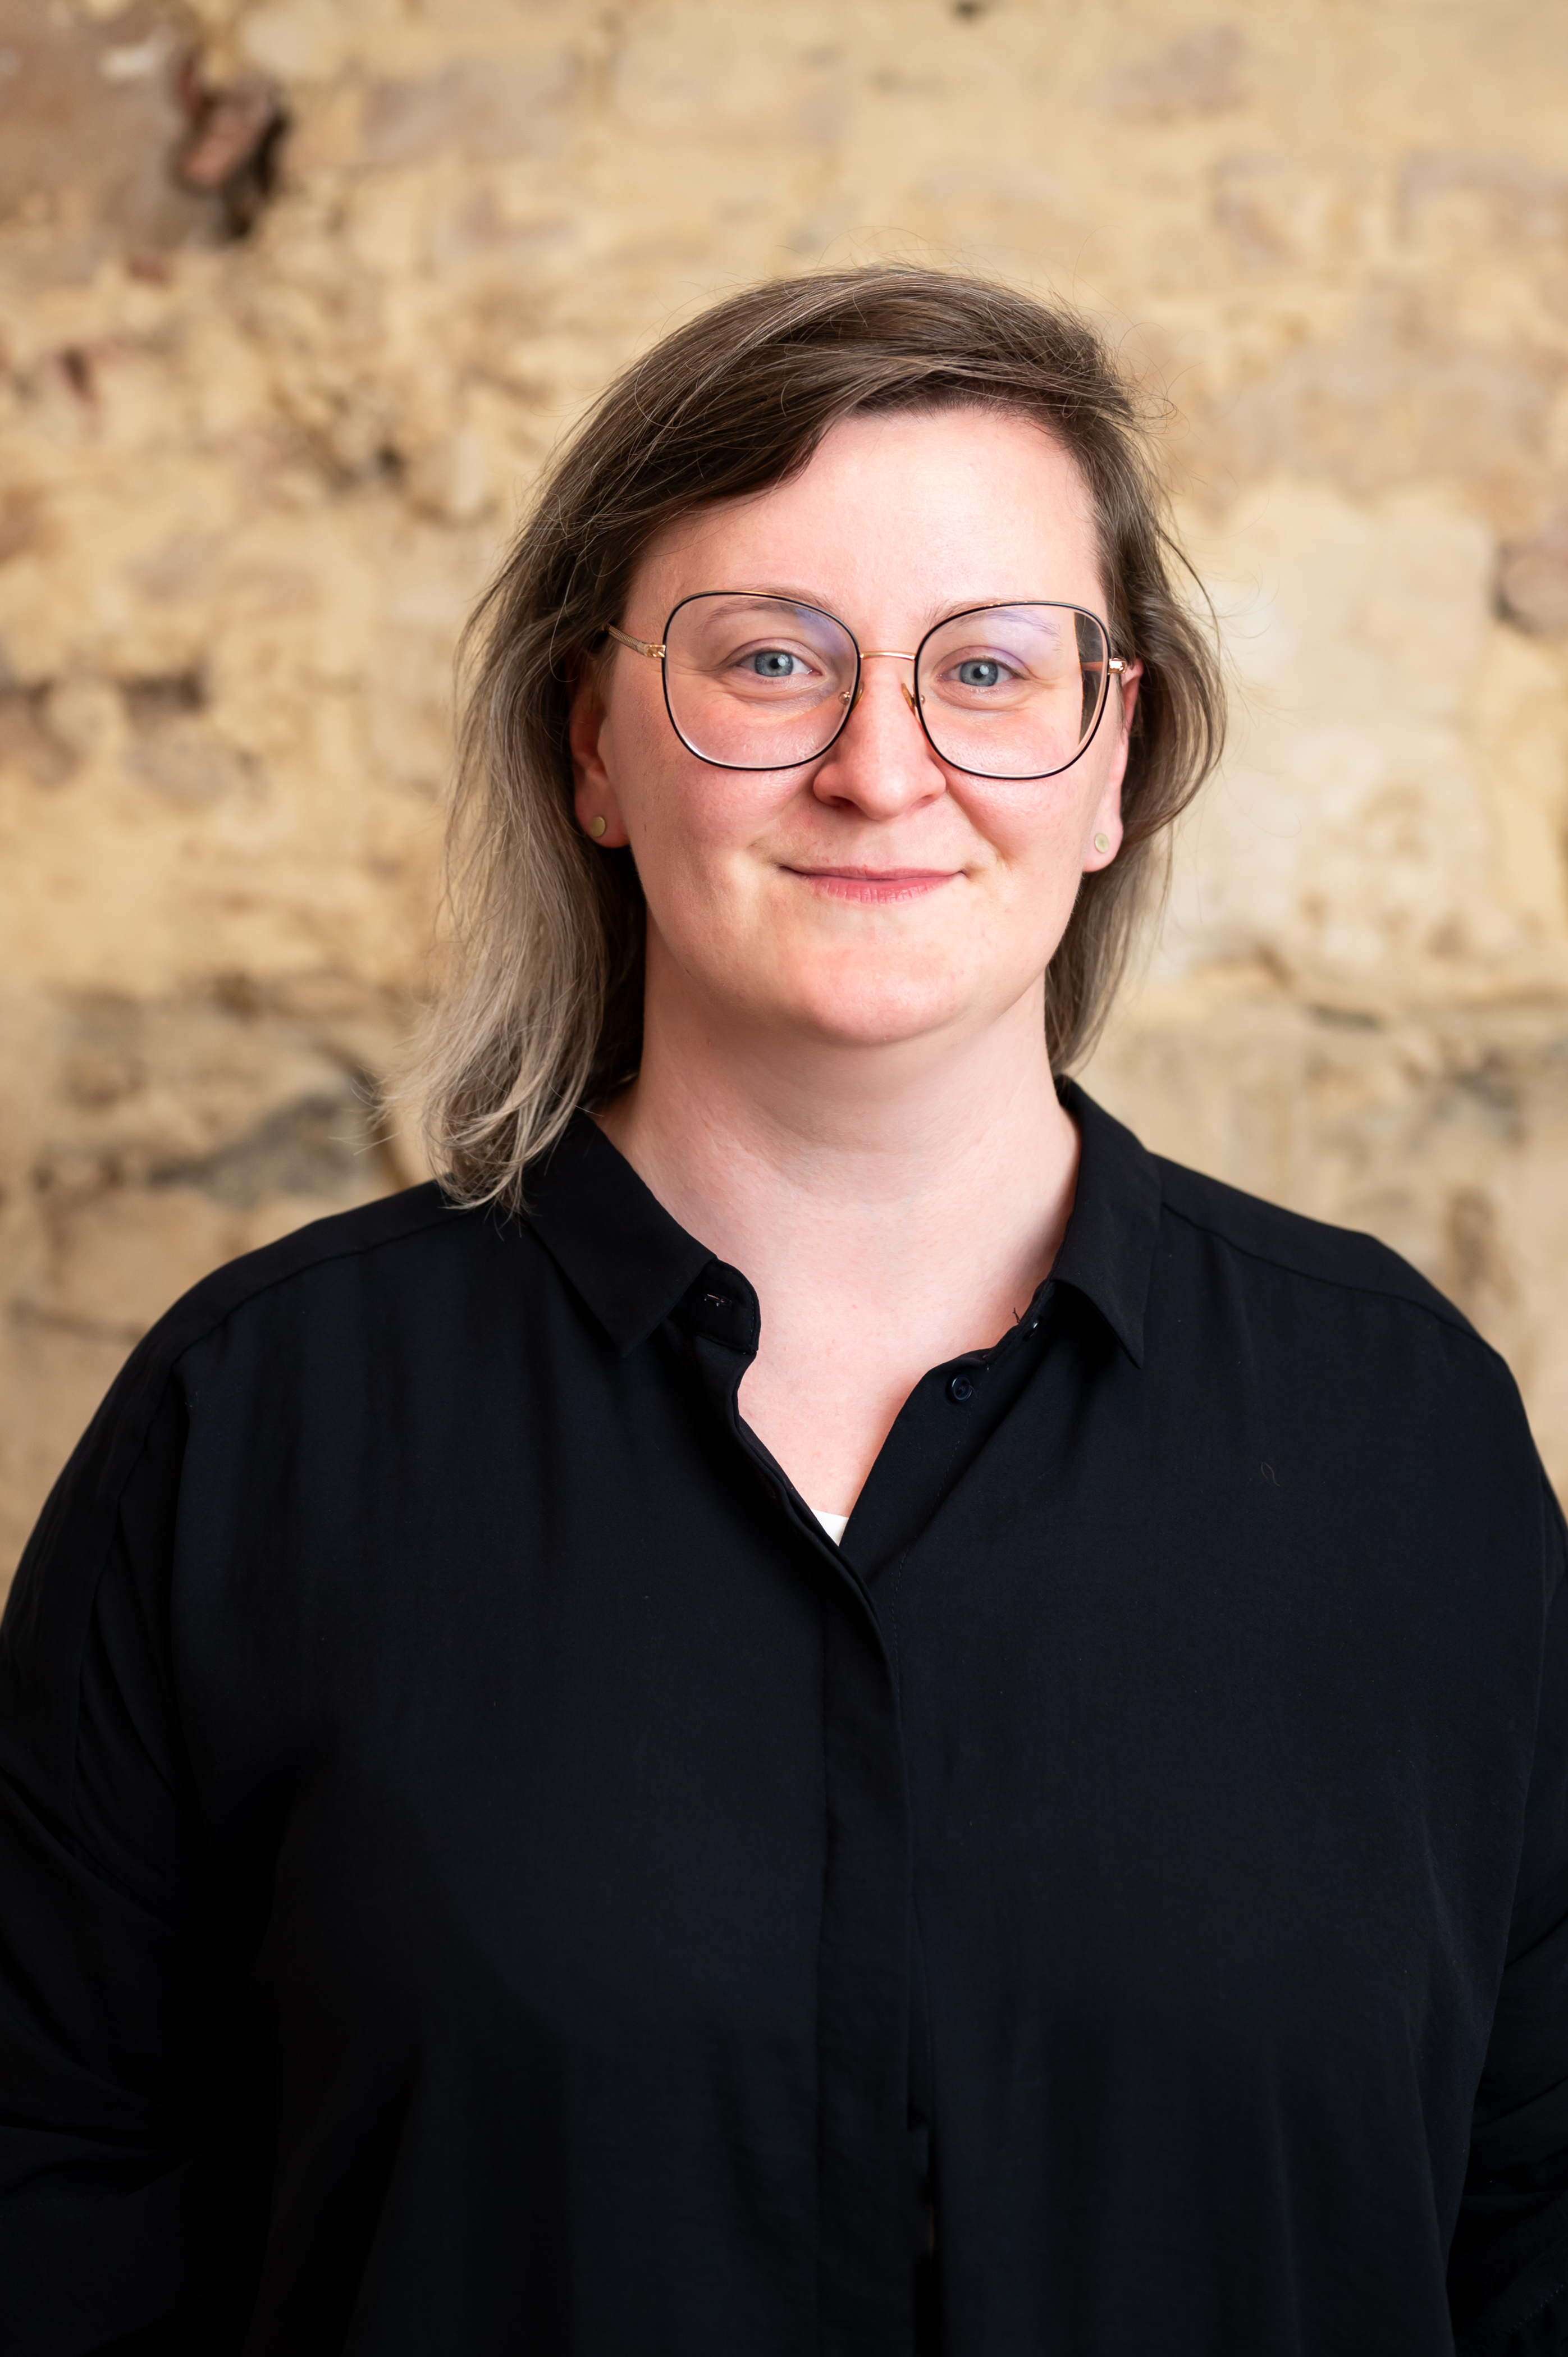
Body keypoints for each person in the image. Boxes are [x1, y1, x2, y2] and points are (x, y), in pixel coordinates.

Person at [0, 266, 1564, 2357]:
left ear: (1112, 759)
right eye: (767, 660)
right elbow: (48, 2226)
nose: (879, 767)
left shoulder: (1402, 1436)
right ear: (593, 745)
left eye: (988, 670)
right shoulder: (257, 1428)